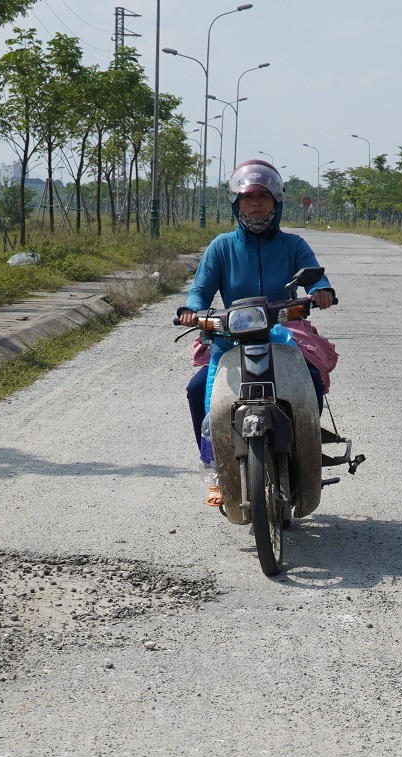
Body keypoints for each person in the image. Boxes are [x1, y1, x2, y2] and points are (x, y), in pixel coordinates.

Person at [176, 160, 338, 507]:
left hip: (282, 331)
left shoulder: (293, 244)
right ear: (237, 204)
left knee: (311, 379)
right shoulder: (221, 246)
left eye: (263, 198)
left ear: (276, 203)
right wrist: (191, 311)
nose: (256, 205)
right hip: (231, 336)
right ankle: (218, 468)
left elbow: (315, 275)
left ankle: (303, 450)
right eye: (249, 198)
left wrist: (322, 290)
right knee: (196, 391)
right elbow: (200, 291)